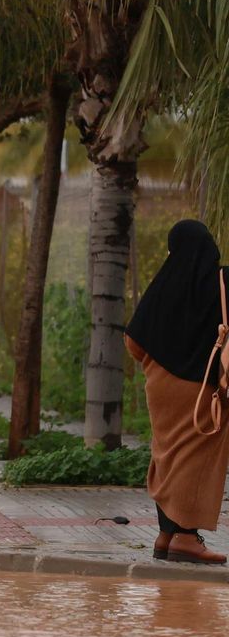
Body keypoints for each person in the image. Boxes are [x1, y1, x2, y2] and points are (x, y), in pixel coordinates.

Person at [124, 219, 229, 565]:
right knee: (195, 459)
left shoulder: (164, 284)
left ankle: (165, 535)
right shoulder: (222, 282)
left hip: (161, 386)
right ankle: (186, 538)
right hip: (204, 390)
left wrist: (161, 363)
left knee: (167, 454)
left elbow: (133, 340)